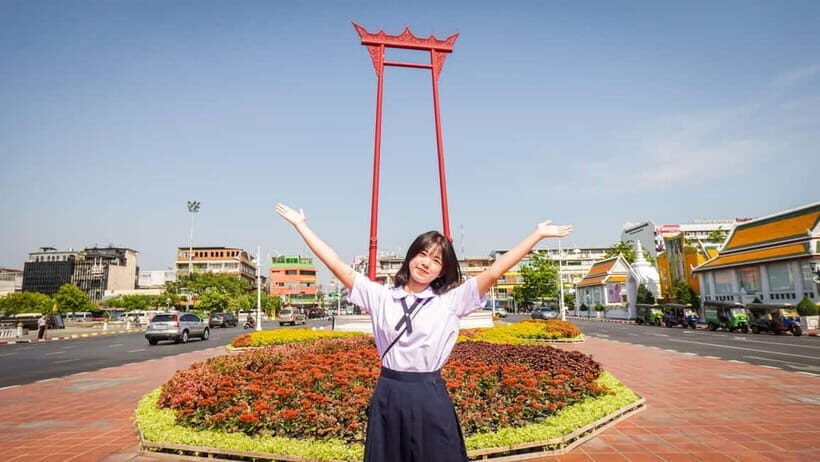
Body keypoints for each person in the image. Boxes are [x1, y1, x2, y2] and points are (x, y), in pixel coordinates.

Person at [275, 203, 572, 462]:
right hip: (389, 390)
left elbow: (494, 272)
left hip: (429, 392)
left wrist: (537, 235)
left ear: (442, 270)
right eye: (422, 254)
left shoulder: (450, 301)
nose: (426, 263)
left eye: (436, 260)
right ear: (411, 256)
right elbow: (336, 265)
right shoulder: (380, 297)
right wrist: (302, 226)